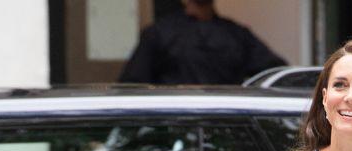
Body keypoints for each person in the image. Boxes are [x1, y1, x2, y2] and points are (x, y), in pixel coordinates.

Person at [119, 0, 286, 85]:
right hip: (172, 129)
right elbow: (133, 85)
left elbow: (276, 71)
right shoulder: (159, 34)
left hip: (226, 126)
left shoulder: (237, 35)